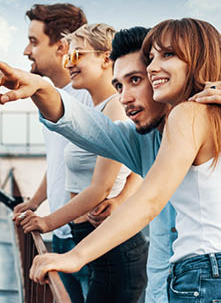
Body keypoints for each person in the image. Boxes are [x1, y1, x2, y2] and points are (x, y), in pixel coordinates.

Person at [0, 24, 221, 303]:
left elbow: (149, 201)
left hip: (202, 274)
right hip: (179, 280)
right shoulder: (147, 141)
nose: (125, 98)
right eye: (119, 85)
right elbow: (90, 127)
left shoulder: (191, 115)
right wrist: (40, 89)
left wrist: (76, 255)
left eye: (136, 79)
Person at [14, 23, 148, 303]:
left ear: (105, 57)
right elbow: (142, 156)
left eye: (76, 56)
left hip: (112, 246)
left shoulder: (115, 107)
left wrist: (46, 222)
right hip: (89, 238)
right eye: (67, 58)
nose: (69, 64)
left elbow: (100, 188)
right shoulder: (94, 110)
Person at [13, 3, 93, 303]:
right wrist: (34, 201)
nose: (26, 51)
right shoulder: (56, 98)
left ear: (62, 47)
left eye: (34, 42)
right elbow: (61, 160)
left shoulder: (88, 96)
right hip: (62, 232)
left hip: (87, 238)